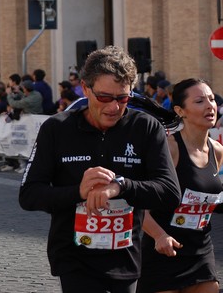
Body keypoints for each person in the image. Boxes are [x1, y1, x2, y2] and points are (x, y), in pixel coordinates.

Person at [19, 45, 181, 293]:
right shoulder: (57, 128)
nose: (114, 107)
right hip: (74, 258)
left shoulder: (145, 128)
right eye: (104, 97)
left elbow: (169, 192)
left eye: (123, 98)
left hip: (125, 258)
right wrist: (78, 192)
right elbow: (29, 195)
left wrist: (121, 186)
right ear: (85, 88)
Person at [138, 78, 223, 293]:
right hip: (163, 252)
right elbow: (139, 205)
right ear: (180, 110)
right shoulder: (169, 148)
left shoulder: (217, 151)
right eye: (199, 101)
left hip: (200, 250)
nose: (209, 106)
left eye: (211, 99)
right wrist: (159, 235)